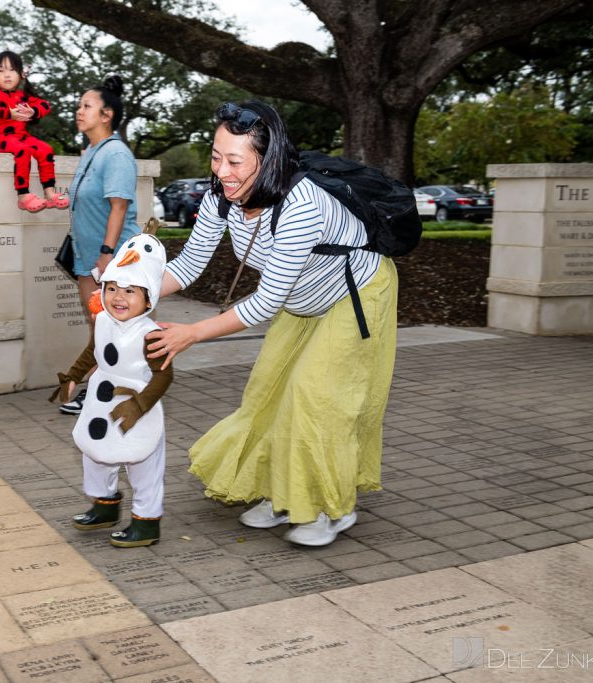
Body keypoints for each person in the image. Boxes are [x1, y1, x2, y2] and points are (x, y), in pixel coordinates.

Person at [146, 100, 399, 546]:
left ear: (269, 160)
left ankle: (328, 509)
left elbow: (264, 303)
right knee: (267, 394)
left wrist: (193, 333)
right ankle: (282, 494)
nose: (222, 170)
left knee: (315, 399)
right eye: (216, 156)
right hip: (301, 302)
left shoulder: (301, 203)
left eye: (235, 161)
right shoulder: (218, 198)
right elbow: (187, 266)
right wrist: (131, 291)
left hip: (355, 296)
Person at [51, 234, 173, 547]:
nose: (118, 297)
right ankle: (104, 506)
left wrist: (139, 405)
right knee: (95, 455)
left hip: (137, 407)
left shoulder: (151, 335)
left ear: (149, 299)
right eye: (112, 288)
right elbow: (94, 349)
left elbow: (163, 376)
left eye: (130, 291)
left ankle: (146, 521)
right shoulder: (104, 320)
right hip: (100, 403)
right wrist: (72, 376)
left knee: (142, 463)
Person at [59, 74, 140, 415]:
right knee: (98, 326)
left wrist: (108, 255)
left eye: (86, 106)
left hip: (113, 259)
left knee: (111, 327)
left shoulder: (116, 154)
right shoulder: (92, 152)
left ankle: (97, 388)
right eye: (79, 105)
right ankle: (105, 386)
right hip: (86, 259)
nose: (79, 111)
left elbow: (119, 207)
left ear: (106, 115)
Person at [0, 50, 67, 213]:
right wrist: (8, 113)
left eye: (12, 70)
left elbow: (45, 105)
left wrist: (33, 111)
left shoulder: (22, 95)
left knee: (46, 149)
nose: (7, 75)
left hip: (21, 137)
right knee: (22, 150)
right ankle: (23, 195)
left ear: (21, 74)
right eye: (1, 70)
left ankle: (49, 192)